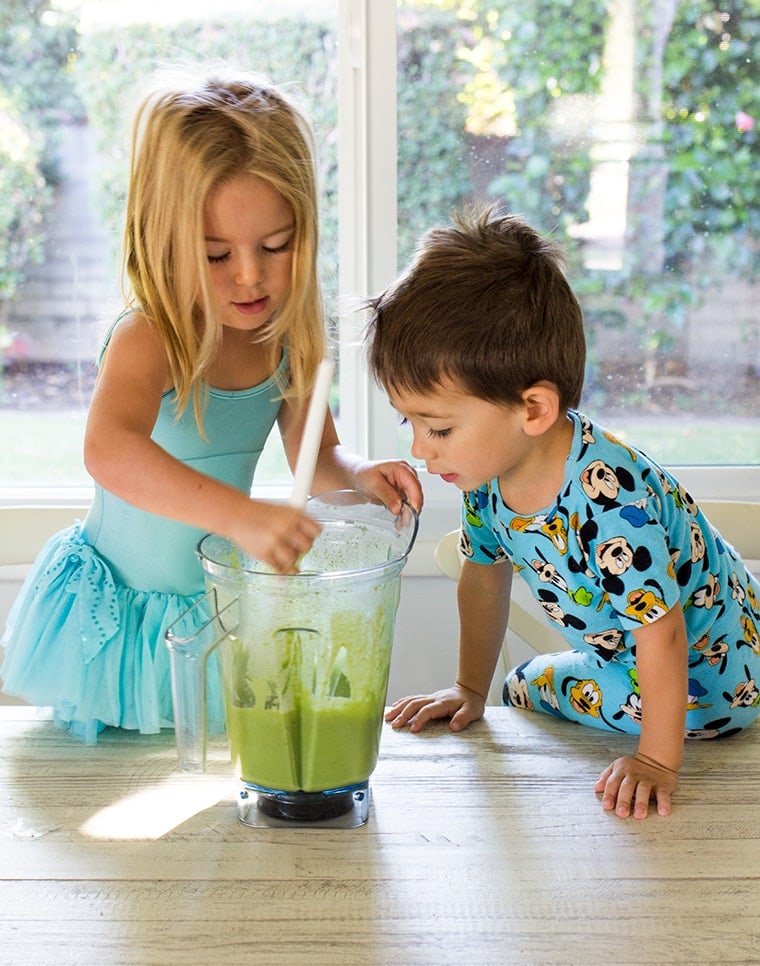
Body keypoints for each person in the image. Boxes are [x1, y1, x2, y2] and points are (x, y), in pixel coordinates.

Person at [1, 68, 421, 743]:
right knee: (99, 789)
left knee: (206, 784)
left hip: (214, 610)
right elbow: (108, 450)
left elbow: (315, 458)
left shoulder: (288, 338)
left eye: (275, 247)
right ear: (165, 239)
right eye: (216, 253)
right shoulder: (151, 336)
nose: (250, 274)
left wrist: (359, 477)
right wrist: (241, 516)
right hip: (117, 618)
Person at [365, 204, 760, 821]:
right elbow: (484, 574)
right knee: (517, 685)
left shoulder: (610, 498)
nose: (418, 448)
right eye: (408, 422)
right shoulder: (487, 474)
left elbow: (665, 632)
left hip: (714, 685)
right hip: (624, 660)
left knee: (529, 688)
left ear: (533, 409)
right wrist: (469, 687)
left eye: (438, 426)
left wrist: (657, 761)